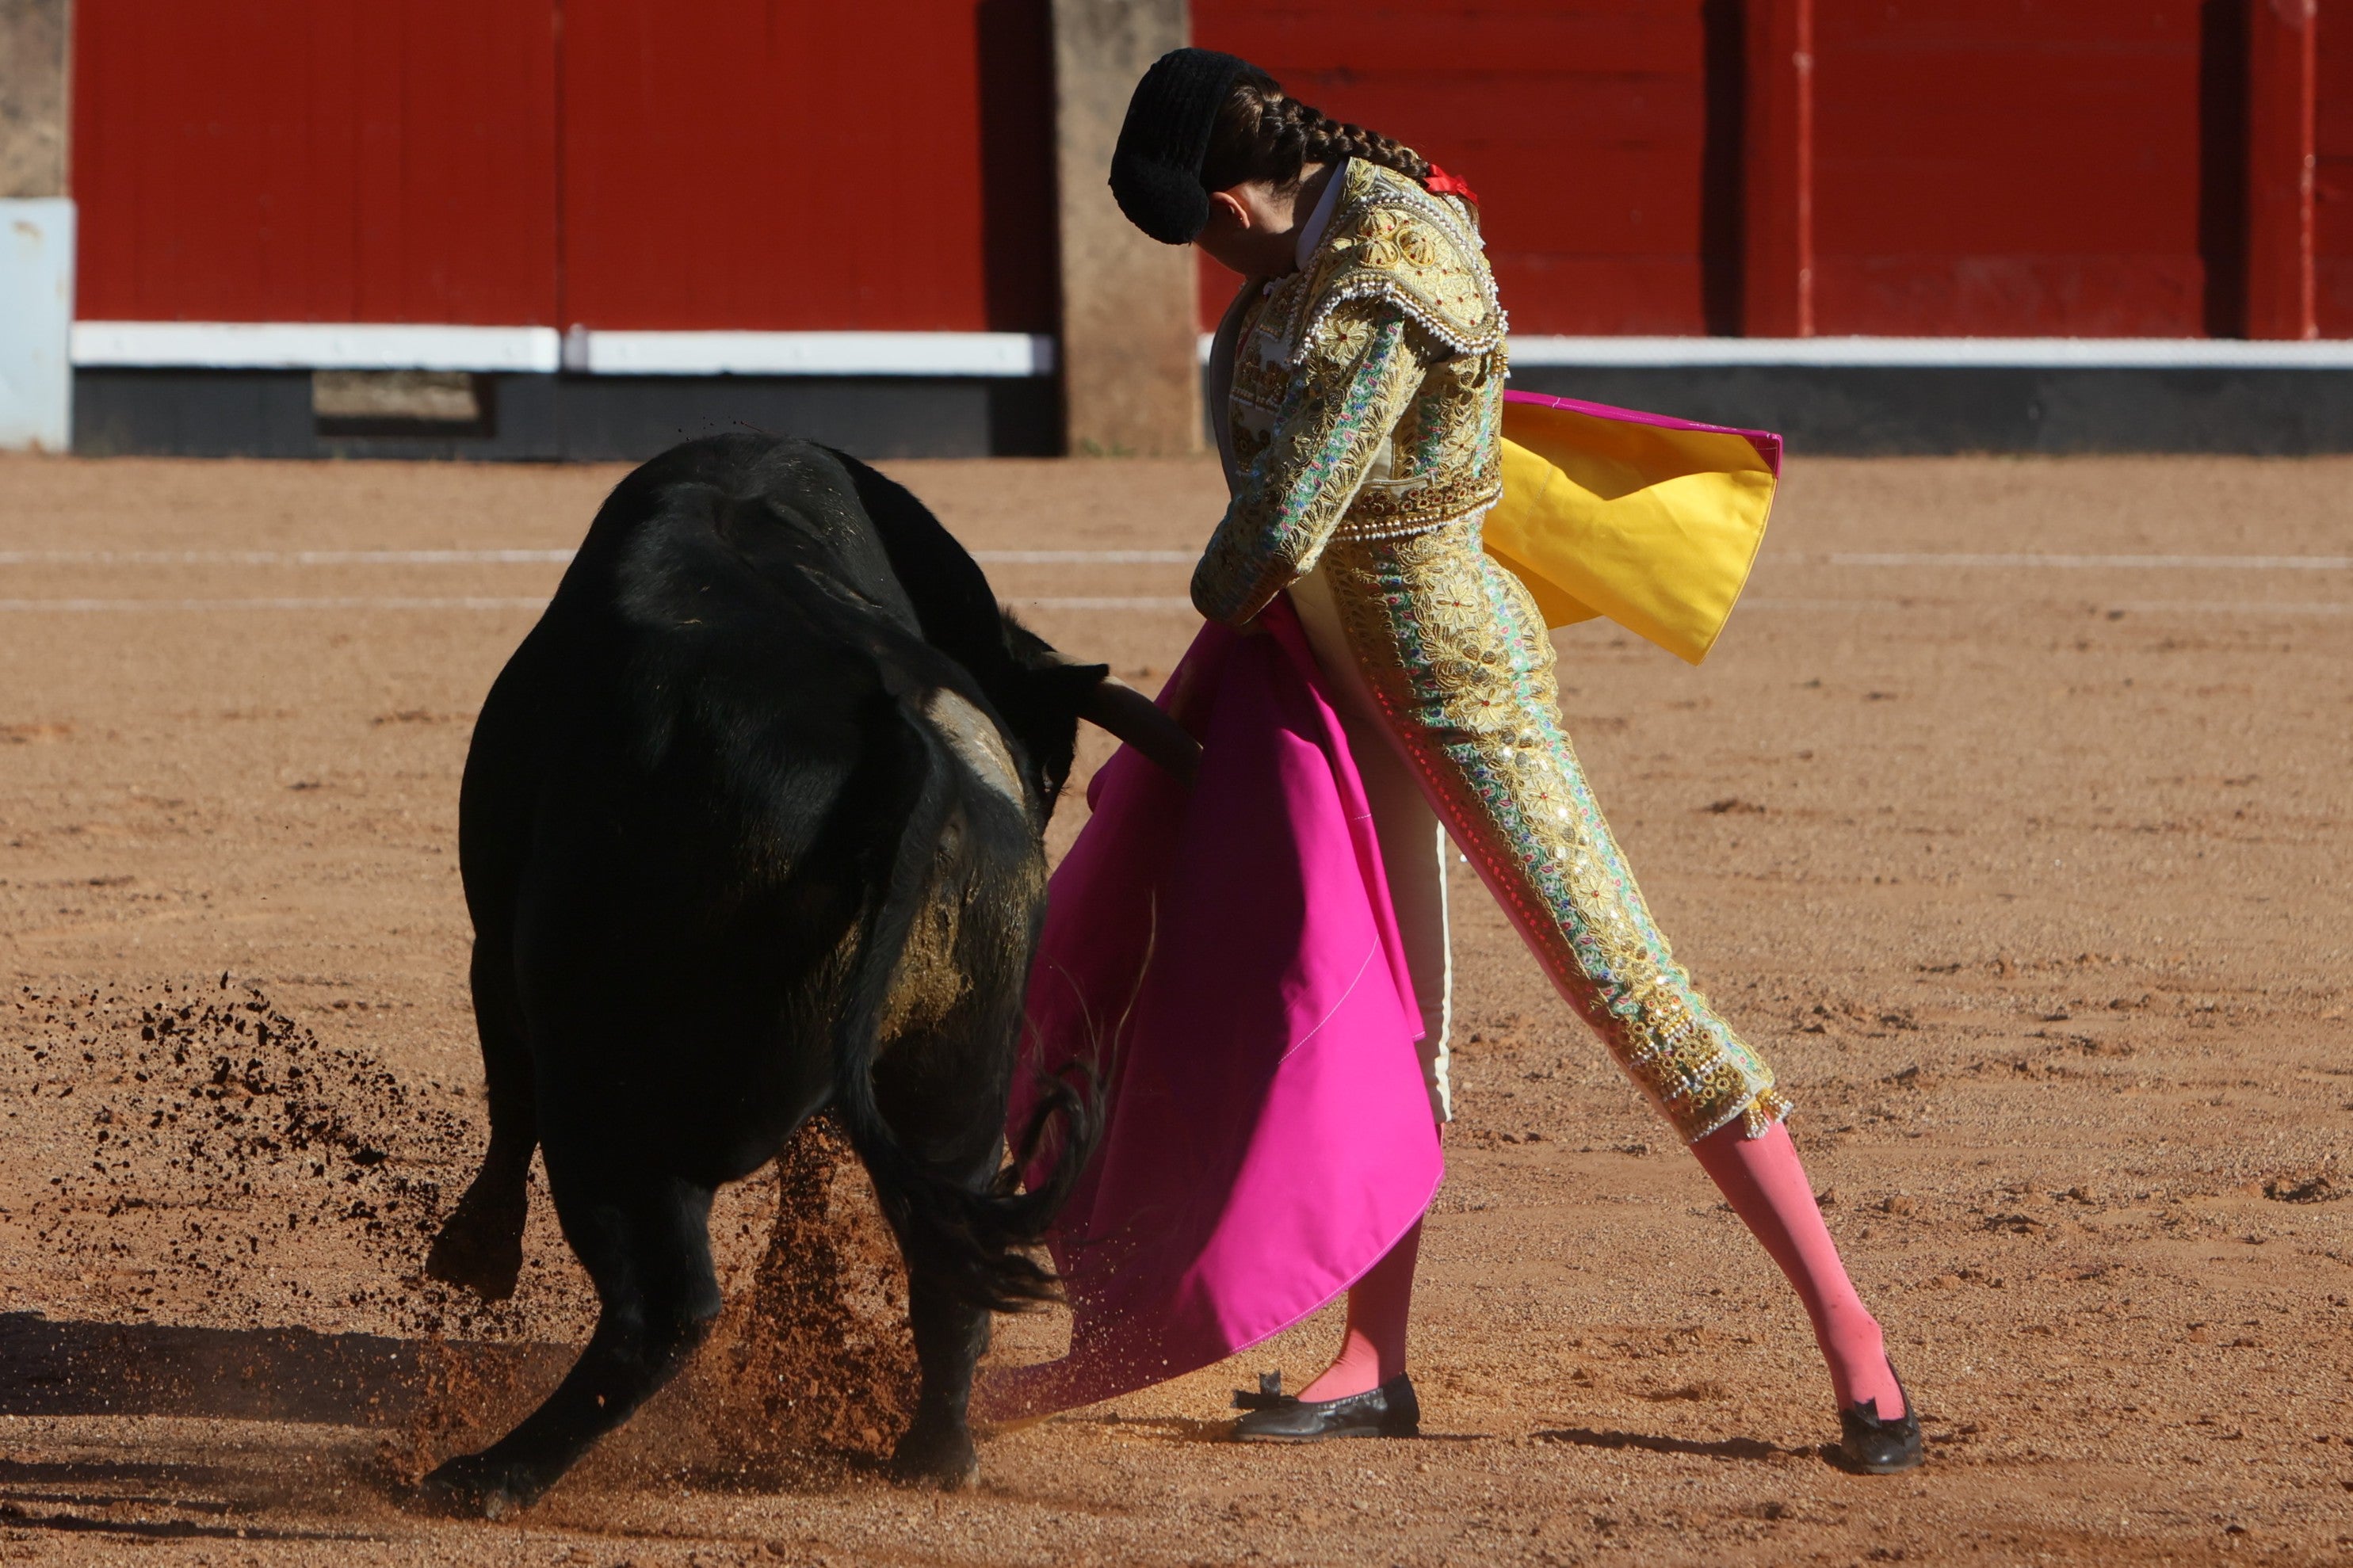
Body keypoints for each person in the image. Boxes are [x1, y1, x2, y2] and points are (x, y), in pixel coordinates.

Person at [1084, 48, 1922, 1474]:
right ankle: (1373, 1356)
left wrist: (1217, 604)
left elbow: (1285, 514)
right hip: (1332, 682)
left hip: (1456, 681)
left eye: (1198, 234)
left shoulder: (1391, 261)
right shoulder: (1305, 250)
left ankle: (1857, 1346)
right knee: (1383, 998)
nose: (1207, 264)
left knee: (1621, 980)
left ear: (1225, 198)